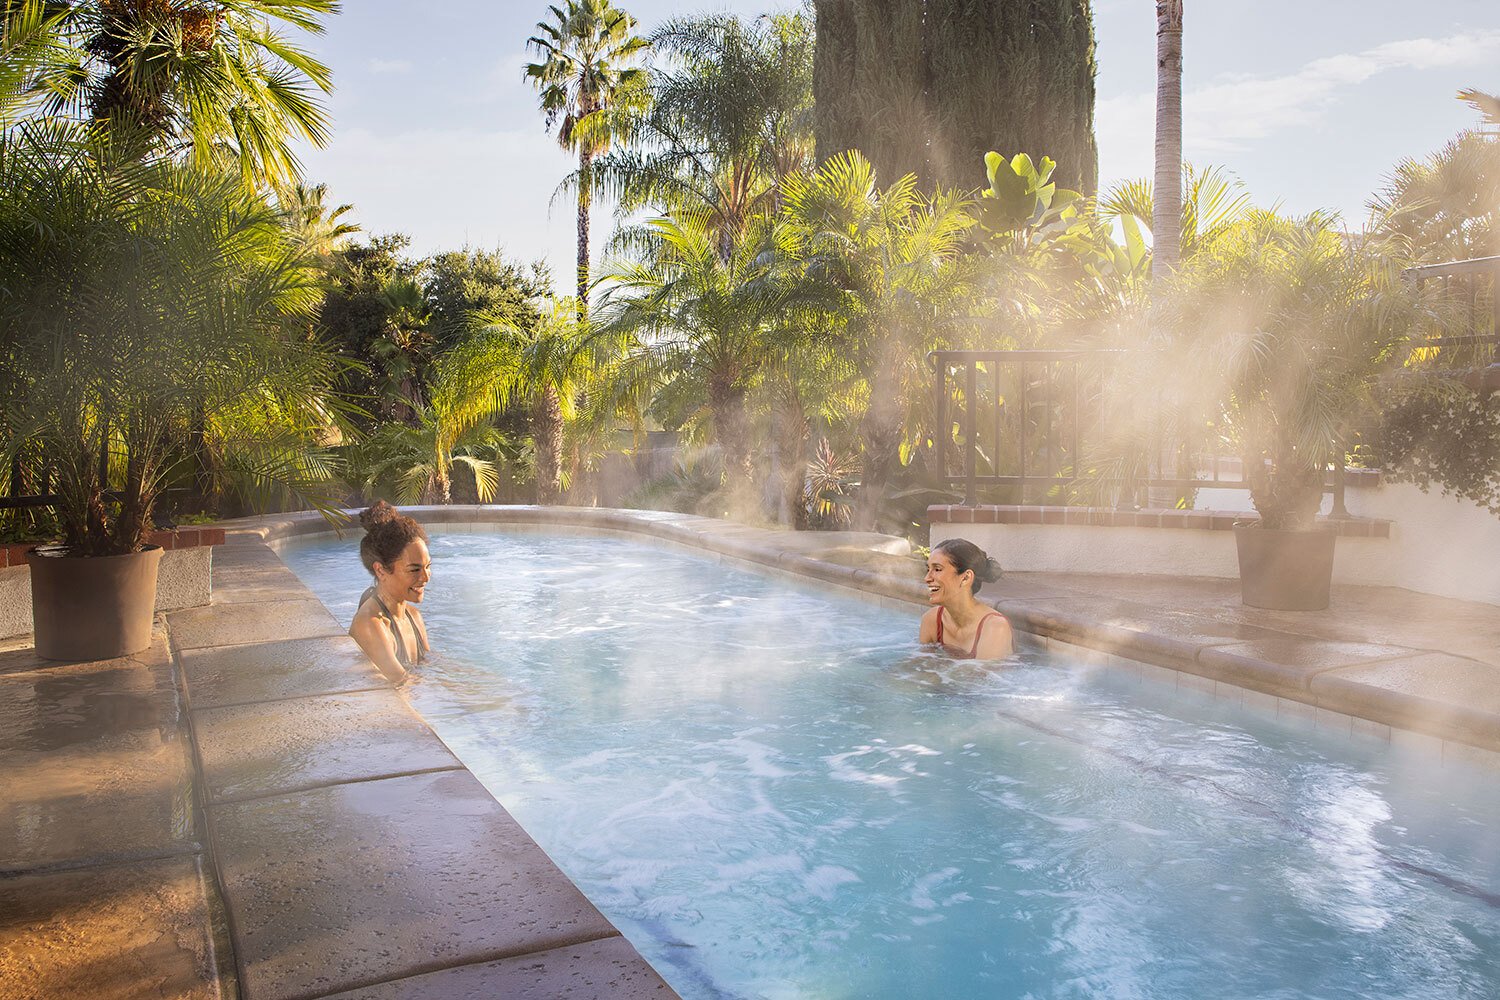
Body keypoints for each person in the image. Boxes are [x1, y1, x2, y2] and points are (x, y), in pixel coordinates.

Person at [349, 501, 431, 681]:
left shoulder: (413, 616)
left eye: (428, 567)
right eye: (414, 569)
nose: (426, 577)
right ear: (381, 570)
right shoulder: (370, 625)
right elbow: (401, 684)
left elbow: (430, 666)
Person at [919, 538, 1013, 660]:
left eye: (937, 569)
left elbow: (985, 678)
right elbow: (919, 669)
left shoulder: (994, 627)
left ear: (966, 578)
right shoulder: (932, 619)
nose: (927, 578)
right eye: (928, 569)